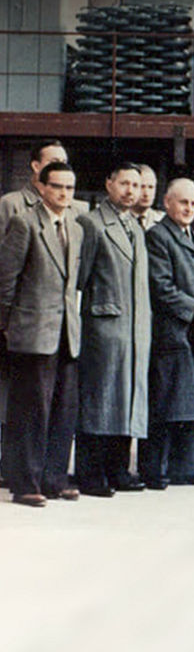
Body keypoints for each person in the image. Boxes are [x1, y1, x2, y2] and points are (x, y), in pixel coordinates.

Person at [0, 162, 83, 506]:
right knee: (31, 411)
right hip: (32, 332)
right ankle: (25, 484)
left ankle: (54, 479)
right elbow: (6, 280)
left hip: (66, 332)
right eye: (57, 186)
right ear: (43, 187)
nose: (64, 193)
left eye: (69, 188)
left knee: (64, 409)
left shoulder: (75, 227)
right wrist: (6, 326)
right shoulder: (25, 223)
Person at [75, 162, 151, 496]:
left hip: (135, 326)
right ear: (109, 184)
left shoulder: (135, 226)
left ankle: (118, 469)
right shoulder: (92, 224)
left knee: (128, 397)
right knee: (100, 398)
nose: (131, 191)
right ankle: (90, 474)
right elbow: (79, 280)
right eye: (124, 183)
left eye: (136, 185)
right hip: (104, 326)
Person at [141, 179, 194, 489]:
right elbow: (160, 285)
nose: (189, 208)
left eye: (193, 203)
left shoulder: (193, 236)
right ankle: (154, 470)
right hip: (173, 331)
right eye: (183, 202)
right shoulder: (158, 236)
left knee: (192, 402)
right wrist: (193, 305)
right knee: (166, 404)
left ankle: (187, 468)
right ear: (167, 203)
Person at [0, 138, 87, 237]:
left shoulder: (79, 209)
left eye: (64, 162)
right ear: (36, 166)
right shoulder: (11, 204)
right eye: (54, 162)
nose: (60, 168)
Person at [132, 164, 163, 231]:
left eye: (151, 187)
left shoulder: (163, 220)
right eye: (142, 187)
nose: (146, 193)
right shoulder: (119, 219)